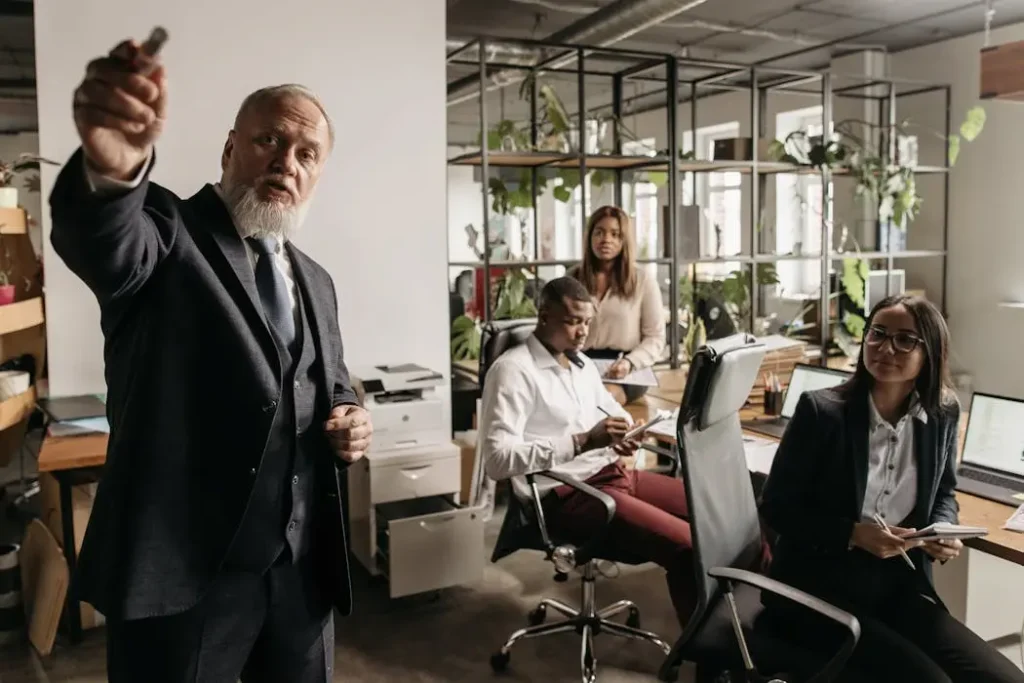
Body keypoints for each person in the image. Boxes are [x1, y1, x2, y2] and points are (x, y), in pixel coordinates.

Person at [48, 37, 373, 682]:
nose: (287, 163)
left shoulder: (317, 280)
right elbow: (104, 241)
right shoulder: (167, 233)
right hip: (185, 582)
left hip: (301, 579)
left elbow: (332, 385)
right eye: (269, 142)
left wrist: (350, 417)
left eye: (307, 154)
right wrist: (111, 172)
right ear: (230, 148)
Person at [759, 295, 1024, 683]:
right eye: (877, 334)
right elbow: (776, 507)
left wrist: (942, 530)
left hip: (897, 585)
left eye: (904, 340)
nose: (886, 348)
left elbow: (945, 492)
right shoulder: (822, 413)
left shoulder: (942, 413)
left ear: (930, 352)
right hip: (815, 587)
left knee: (1003, 678)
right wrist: (853, 534)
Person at [479, 276, 695, 627]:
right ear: (544, 316)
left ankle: (761, 623)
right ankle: (711, 658)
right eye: (573, 321)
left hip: (613, 473)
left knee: (708, 510)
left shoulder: (579, 365)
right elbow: (497, 460)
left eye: (587, 322)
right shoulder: (513, 371)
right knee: (686, 545)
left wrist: (625, 429)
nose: (583, 332)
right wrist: (580, 442)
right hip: (568, 494)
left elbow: (613, 409)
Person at [569, 205, 665, 405]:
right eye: (599, 233)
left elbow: (655, 338)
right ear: (590, 237)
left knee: (600, 400)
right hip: (578, 362)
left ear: (624, 240)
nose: (606, 240)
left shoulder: (643, 280)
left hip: (626, 368)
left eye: (615, 234)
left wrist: (629, 363)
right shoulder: (572, 278)